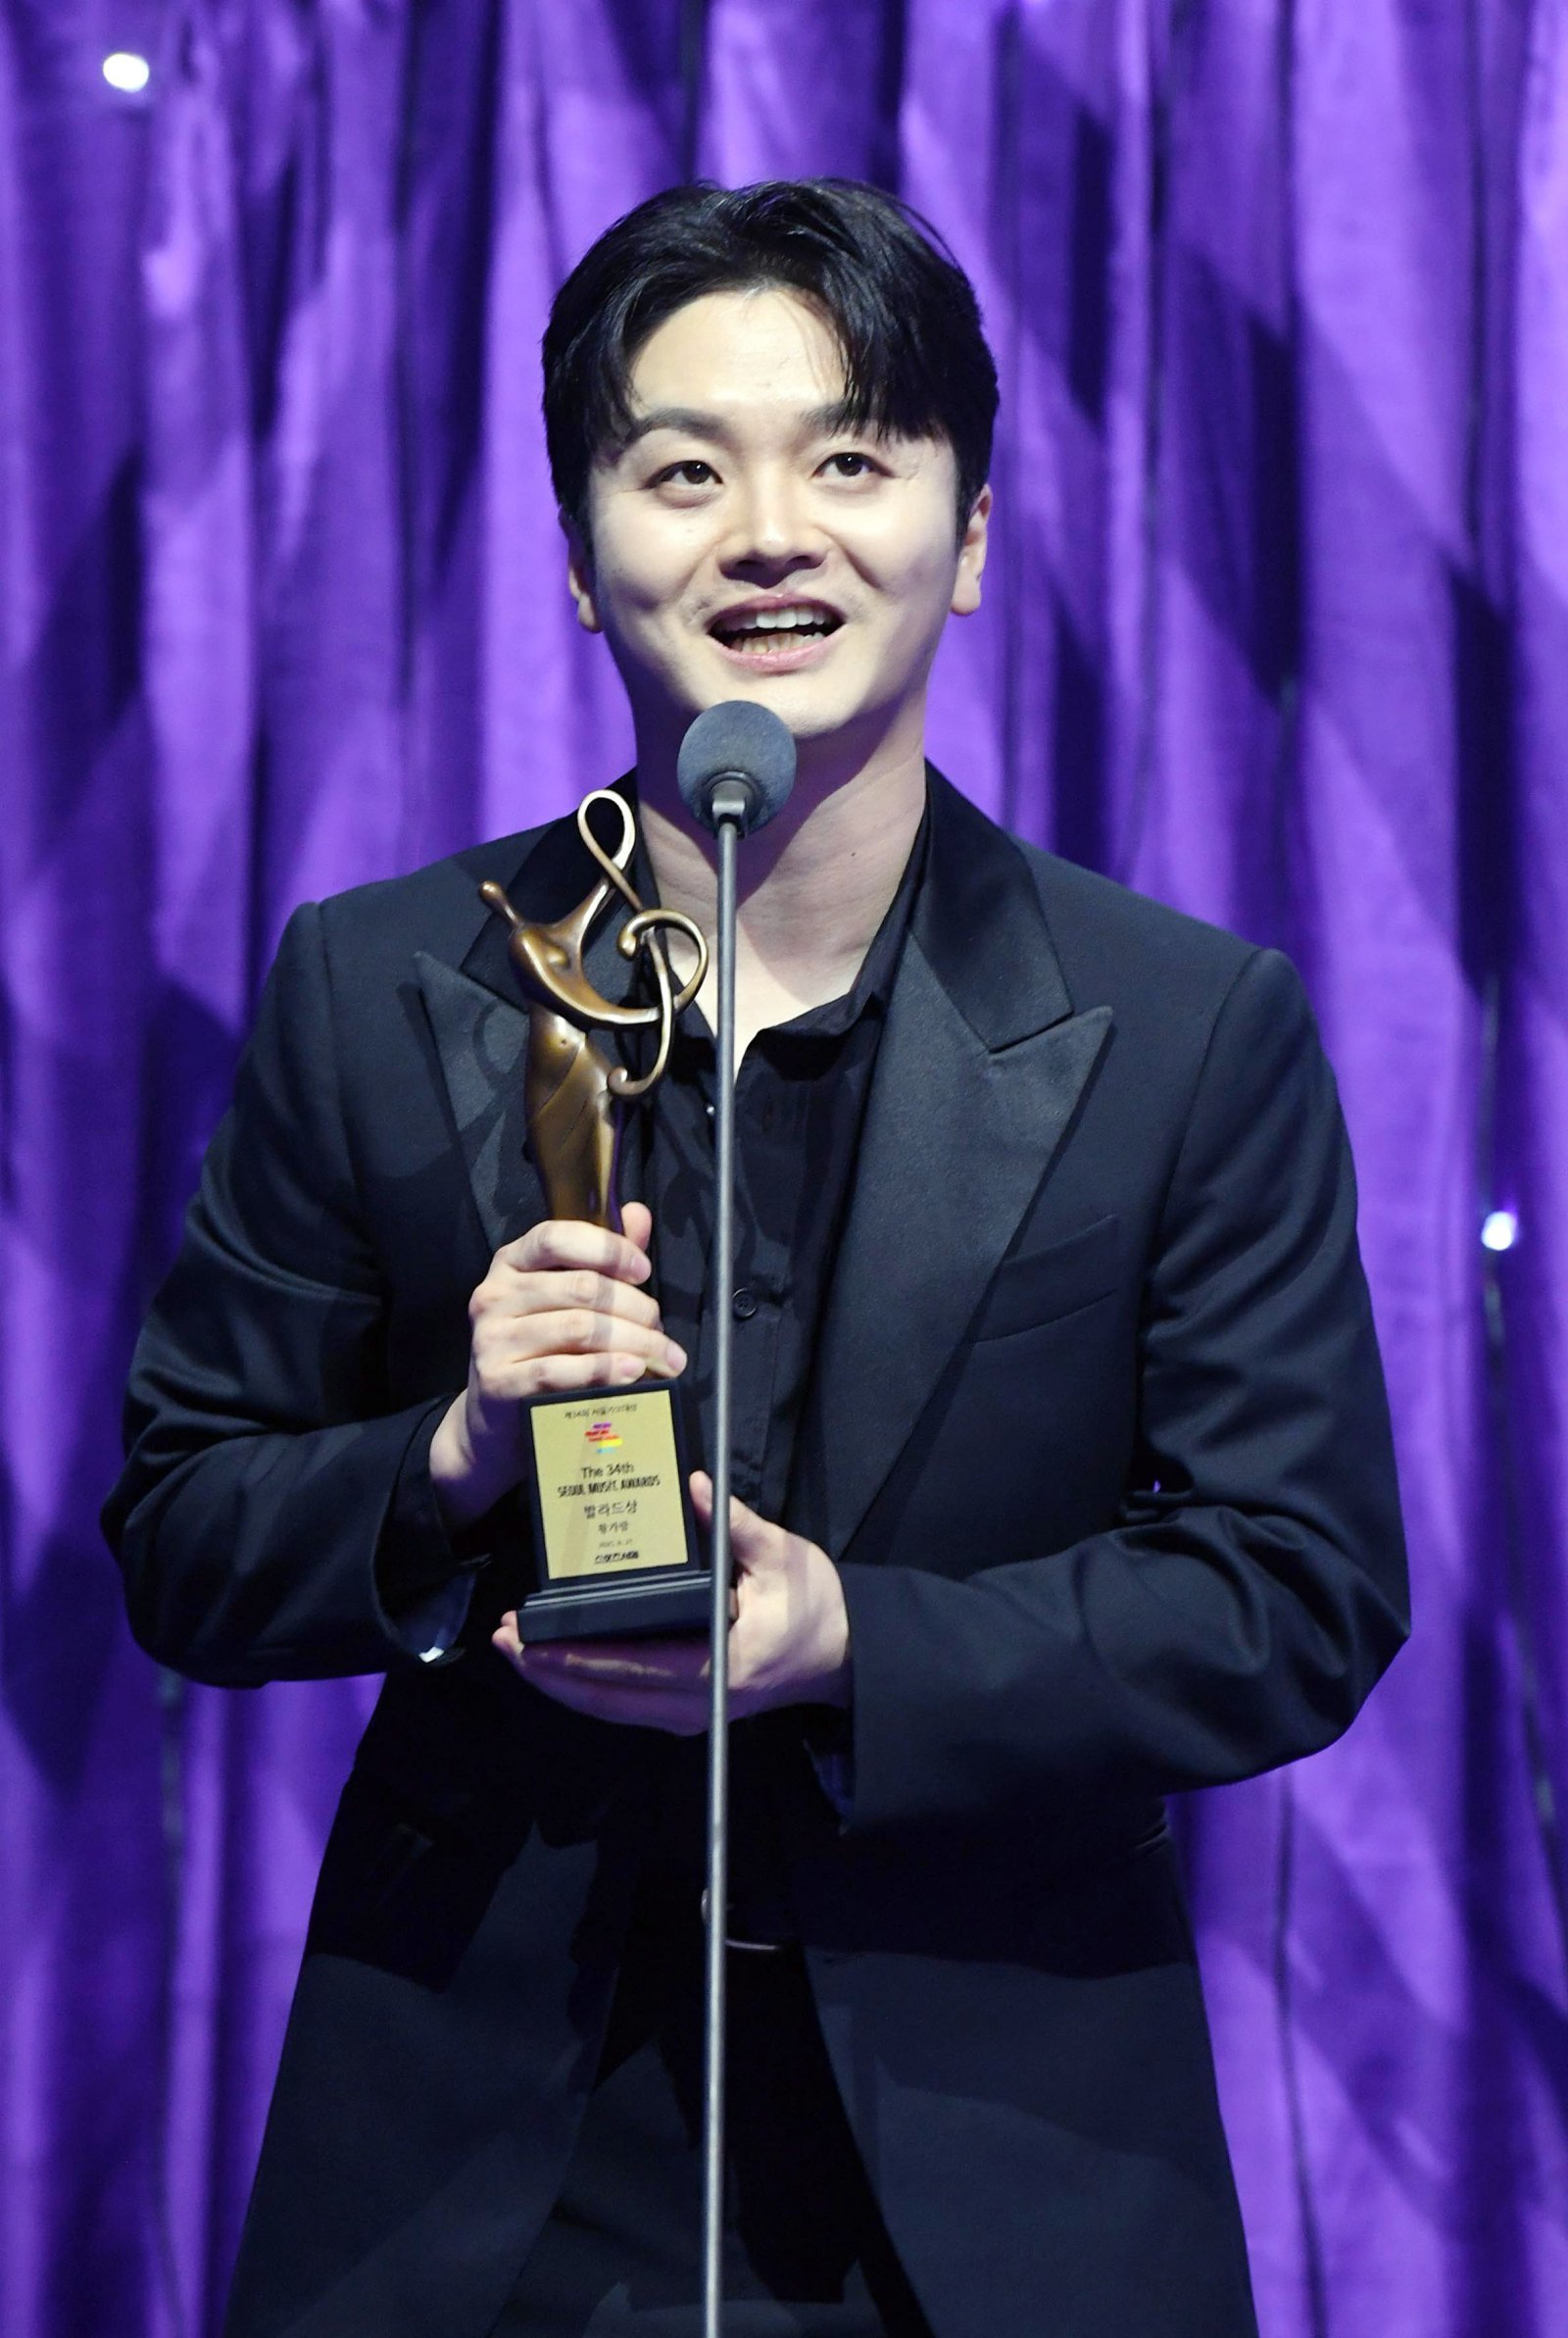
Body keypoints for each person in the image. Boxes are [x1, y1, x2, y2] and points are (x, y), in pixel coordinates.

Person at [104, 179, 1409, 2338]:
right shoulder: (381, 982)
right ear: (577, 551)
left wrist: (849, 1640)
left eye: (851, 460)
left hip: (1001, 2179)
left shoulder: (1186, 1027)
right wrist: (440, 1457)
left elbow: (1293, 1593)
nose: (770, 536)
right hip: (473, 2184)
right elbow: (181, 1529)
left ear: (966, 534)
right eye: (684, 471)